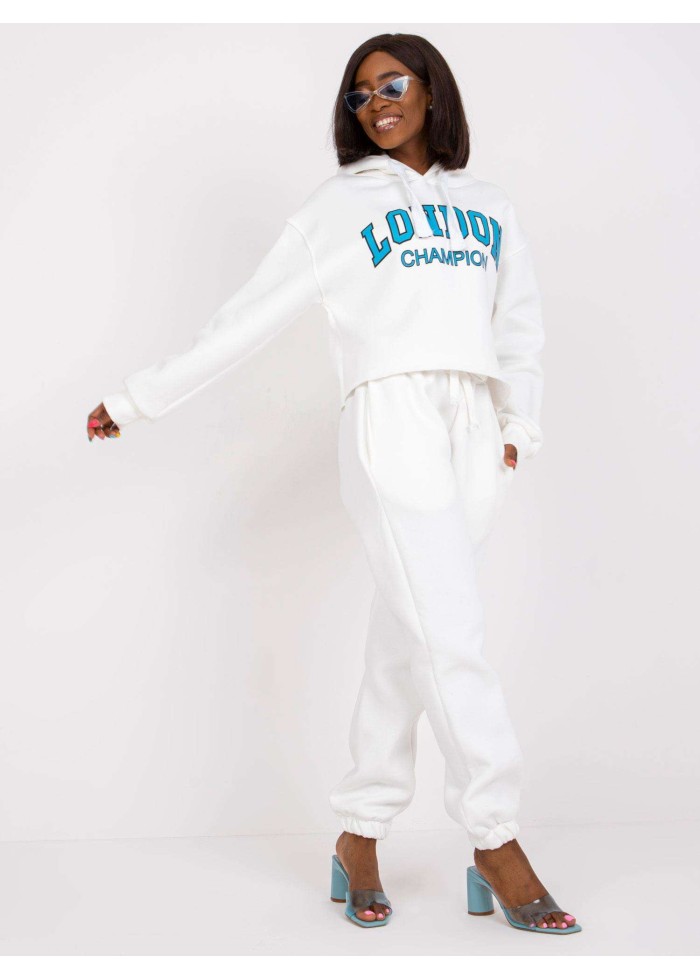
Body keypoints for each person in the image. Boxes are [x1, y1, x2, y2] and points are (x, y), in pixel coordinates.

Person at [87, 33, 580, 935]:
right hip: (390, 416)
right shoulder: (338, 208)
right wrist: (137, 399)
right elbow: (245, 318)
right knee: (452, 635)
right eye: (359, 95)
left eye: (392, 85)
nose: (375, 104)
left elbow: (520, 324)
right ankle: (497, 839)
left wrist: (517, 426)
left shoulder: (490, 206)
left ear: (431, 90)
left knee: (410, 635)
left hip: (473, 424)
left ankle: (359, 833)